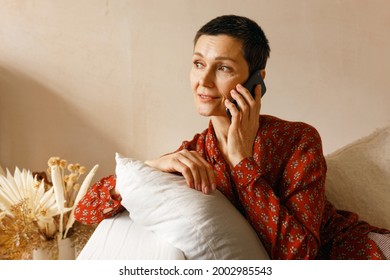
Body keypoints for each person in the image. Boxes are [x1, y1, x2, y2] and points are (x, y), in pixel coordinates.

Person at [74, 15, 390, 260]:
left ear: (256, 80)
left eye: (223, 68)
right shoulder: (195, 152)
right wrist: (153, 164)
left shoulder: (297, 140)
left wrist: (242, 162)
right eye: (198, 64)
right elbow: (84, 211)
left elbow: (300, 255)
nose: (204, 81)